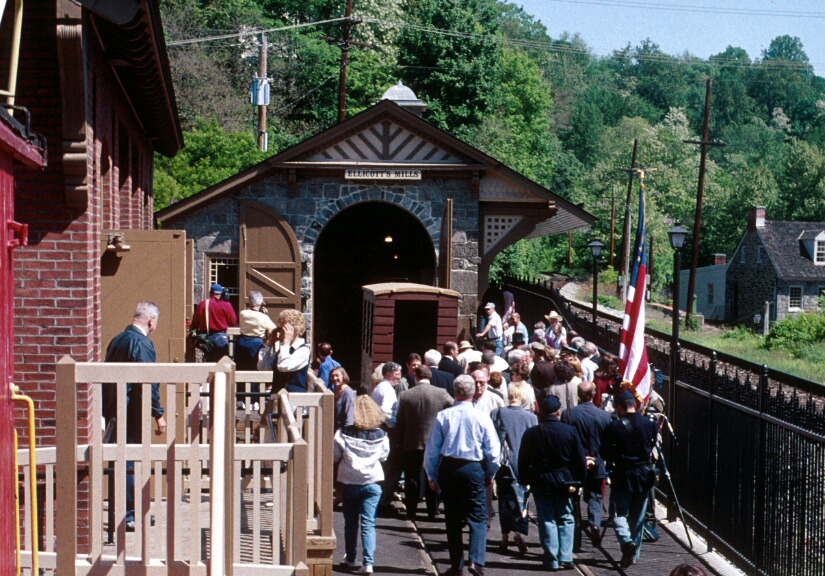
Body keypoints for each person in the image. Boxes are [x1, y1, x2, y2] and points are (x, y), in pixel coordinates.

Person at [423, 375, 500, 576]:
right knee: (478, 515)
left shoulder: (444, 416)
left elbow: (432, 449)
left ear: (455, 392)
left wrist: (431, 475)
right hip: (473, 467)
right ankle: (476, 560)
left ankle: (456, 565)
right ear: (473, 392)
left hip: (449, 468)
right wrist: (491, 472)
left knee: (453, 517)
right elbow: (494, 451)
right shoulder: (481, 417)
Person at [103, 302, 167, 531]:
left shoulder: (117, 340)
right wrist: (158, 414)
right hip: (131, 411)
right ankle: (129, 515)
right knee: (130, 461)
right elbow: (148, 382)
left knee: (119, 461)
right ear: (151, 320)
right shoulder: (142, 343)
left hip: (114, 409)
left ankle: (122, 512)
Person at [518, 395, 587, 571]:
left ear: (541, 411)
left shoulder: (532, 433)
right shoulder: (570, 431)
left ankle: (551, 558)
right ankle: (566, 556)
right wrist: (580, 480)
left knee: (547, 519)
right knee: (566, 517)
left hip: (541, 480)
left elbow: (523, 460)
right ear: (558, 412)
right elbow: (579, 459)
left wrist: (525, 480)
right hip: (565, 480)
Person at [602, 389, 659, 568]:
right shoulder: (651, 423)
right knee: (638, 516)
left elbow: (605, 452)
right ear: (635, 404)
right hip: (643, 474)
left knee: (618, 513)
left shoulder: (614, 426)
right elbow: (652, 446)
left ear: (619, 407)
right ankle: (634, 554)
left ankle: (627, 542)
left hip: (623, 474)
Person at [335, 395, 391, 574]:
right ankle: (368, 562)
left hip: (350, 481)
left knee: (351, 522)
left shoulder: (343, 432)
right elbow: (384, 456)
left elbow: (335, 455)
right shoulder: (382, 435)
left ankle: (350, 558)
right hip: (373, 482)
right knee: (369, 523)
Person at [395, 364, 454, 519]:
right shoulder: (441, 393)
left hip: (411, 443)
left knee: (412, 477)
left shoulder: (405, 395)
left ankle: (411, 510)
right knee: (432, 476)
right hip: (434, 442)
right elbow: (455, 406)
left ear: (416, 377)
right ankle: (432, 510)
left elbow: (399, 421)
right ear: (430, 377)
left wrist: (399, 441)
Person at [490, 382, 538, 554]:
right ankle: (518, 532)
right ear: (523, 397)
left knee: (504, 500)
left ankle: (505, 536)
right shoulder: (531, 418)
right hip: (523, 464)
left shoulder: (496, 413)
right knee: (522, 499)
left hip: (503, 465)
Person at [564, 381, 612, 547]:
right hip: (597, 461)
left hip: (576, 463)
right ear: (593, 394)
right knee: (596, 496)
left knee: (573, 497)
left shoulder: (569, 415)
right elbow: (607, 442)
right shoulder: (604, 416)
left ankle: (575, 531)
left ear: (578, 394)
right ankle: (595, 523)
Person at [191, 283, 238, 361]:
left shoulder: (203, 304)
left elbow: (196, 321)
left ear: (210, 293)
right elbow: (233, 322)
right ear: (221, 294)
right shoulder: (226, 305)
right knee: (222, 362)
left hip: (207, 338)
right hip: (221, 337)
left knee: (210, 362)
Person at [272, 309, 311, 393]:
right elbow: (263, 367)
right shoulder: (284, 349)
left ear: (295, 330)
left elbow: (283, 366)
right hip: (277, 396)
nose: (281, 333)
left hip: (293, 398)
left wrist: (286, 342)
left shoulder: (304, 350)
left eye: (284, 329)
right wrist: (269, 344)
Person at [236, 291, 275, 370]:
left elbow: (249, 311)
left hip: (242, 342)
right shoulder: (264, 317)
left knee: (240, 367)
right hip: (256, 343)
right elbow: (273, 329)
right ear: (261, 302)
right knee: (255, 367)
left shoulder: (242, 313)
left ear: (250, 302)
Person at [332, 366, 356, 430]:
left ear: (343, 376)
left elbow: (350, 414)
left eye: (337, 375)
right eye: (332, 376)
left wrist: (347, 431)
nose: (334, 378)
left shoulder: (348, 392)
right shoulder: (334, 391)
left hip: (344, 429)